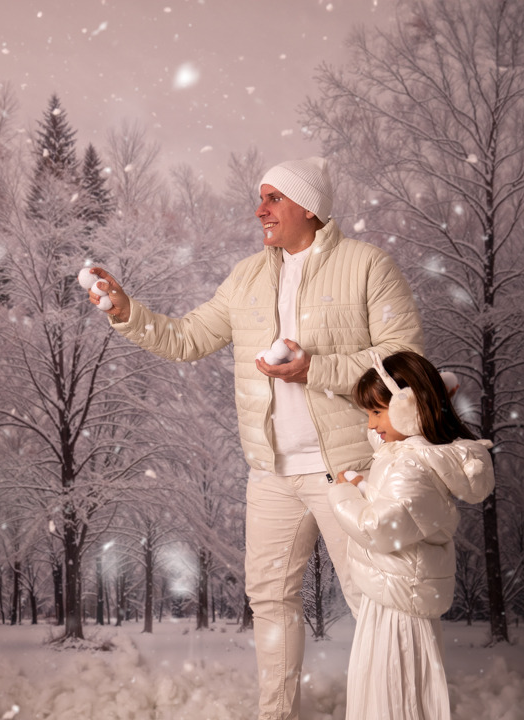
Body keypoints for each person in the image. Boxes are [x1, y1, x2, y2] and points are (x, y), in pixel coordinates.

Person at [87, 157, 424, 720]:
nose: (259, 210)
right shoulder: (246, 277)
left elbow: (405, 357)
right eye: (260, 198)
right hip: (271, 473)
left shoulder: (367, 266)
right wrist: (127, 312)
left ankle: (391, 711)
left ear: (308, 207)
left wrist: (317, 368)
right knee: (269, 601)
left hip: (352, 469)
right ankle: (277, 714)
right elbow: (187, 338)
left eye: (273, 198)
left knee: (375, 598)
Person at [330, 351, 494, 719]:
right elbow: (394, 489)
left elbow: (379, 528)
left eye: (377, 412)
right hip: (397, 590)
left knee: (394, 691)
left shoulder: (412, 466)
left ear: (408, 407)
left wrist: (341, 493)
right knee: (393, 691)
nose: (371, 425)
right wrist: (360, 483)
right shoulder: (409, 455)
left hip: (399, 607)